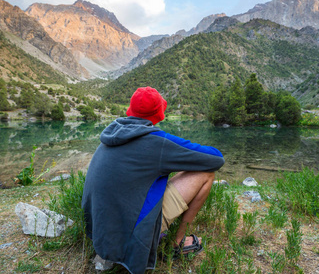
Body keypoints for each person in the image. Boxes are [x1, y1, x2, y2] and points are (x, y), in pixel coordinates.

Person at [81, 86, 225, 274]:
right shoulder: (156, 142)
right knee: (206, 174)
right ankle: (178, 242)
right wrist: (180, 160)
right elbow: (216, 159)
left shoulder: (112, 134)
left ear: (130, 110)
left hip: (99, 232)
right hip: (128, 237)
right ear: (160, 114)